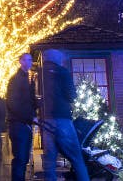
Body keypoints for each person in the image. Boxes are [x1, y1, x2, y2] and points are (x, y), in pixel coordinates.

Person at [40, 49, 89, 181]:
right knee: (77, 158)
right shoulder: (62, 72)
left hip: (46, 121)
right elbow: (72, 95)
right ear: (57, 59)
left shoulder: (39, 74)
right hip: (63, 120)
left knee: (50, 161)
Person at [6, 52, 37, 181]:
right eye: (26, 60)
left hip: (22, 124)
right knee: (20, 159)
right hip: (19, 125)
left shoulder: (25, 78)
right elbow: (14, 103)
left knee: (22, 159)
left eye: (30, 60)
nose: (29, 62)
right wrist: (30, 117)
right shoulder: (17, 80)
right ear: (20, 61)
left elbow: (27, 101)